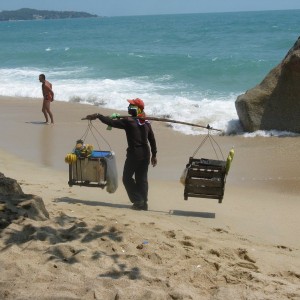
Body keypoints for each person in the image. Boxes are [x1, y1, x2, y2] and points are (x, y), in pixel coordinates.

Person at [85, 98, 157, 211]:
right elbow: (152, 140)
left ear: (137, 109)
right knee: (142, 179)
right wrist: (154, 155)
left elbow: (110, 122)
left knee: (127, 178)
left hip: (135, 154)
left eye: (131, 106)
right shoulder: (146, 122)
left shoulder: (129, 121)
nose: (128, 107)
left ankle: (138, 200)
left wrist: (98, 115)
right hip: (145, 154)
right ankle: (144, 203)